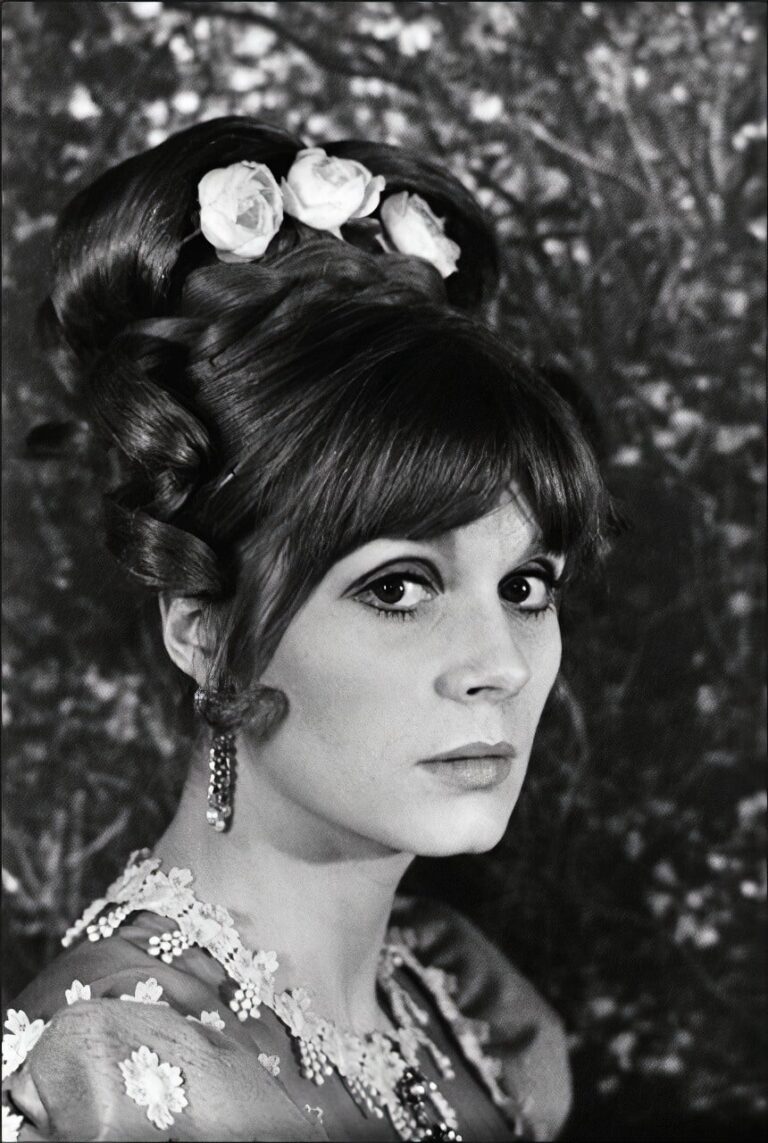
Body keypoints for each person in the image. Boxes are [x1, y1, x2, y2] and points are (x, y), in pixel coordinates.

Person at [2, 117, 616, 1142]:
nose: (499, 665)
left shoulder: (466, 1012)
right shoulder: (106, 1088)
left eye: (525, 586)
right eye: (399, 587)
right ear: (203, 629)